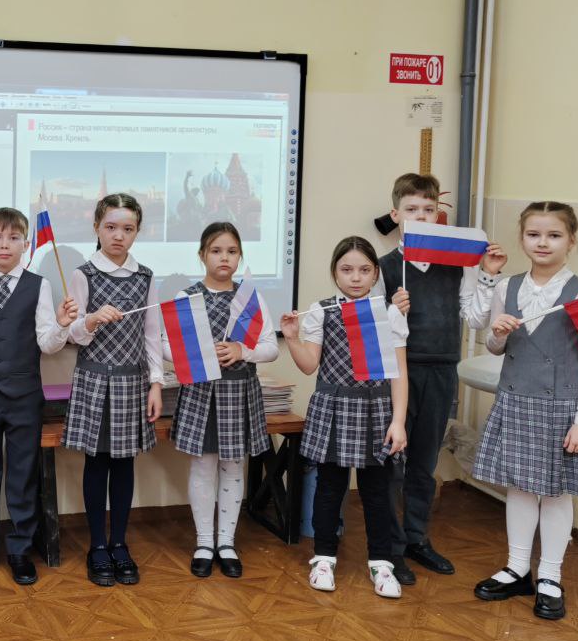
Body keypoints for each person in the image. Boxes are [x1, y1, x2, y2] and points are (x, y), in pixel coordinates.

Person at [470, 201, 578, 621]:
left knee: (556, 493)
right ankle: (517, 569)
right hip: (515, 400)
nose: (542, 242)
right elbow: (496, 347)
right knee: (519, 488)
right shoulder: (507, 287)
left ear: (571, 240)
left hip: (562, 409)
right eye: (533, 234)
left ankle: (549, 575)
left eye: (554, 235)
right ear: (522, 238)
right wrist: (496, 334)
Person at [380, 172, 506, 584]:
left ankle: (416, 538)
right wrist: (392, 311)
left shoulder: (458, 264)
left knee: (424, 461)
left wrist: (487, 275)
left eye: (428, 209)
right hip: (398, 375)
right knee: (392, 462)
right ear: (396, 214)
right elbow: (372, 332)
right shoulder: (384, 267)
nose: (420, 216)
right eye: (412, 209)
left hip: (441, 369)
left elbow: (475, 318)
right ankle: (390, 547)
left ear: (438, 214)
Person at [281, 236, 408, 598]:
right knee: (329, 488)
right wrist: (292, 339)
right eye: (347, 269)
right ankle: (323, 558)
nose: (355, 277)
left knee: (376, 492)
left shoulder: (389, 313)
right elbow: (309, 366)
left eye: (364, 270)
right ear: (335, 273)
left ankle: (381, 563)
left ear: (375, 273)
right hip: (333, 408)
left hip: (376, 410)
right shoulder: (320, 311)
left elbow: (399, 372)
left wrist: (398, 421)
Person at [0, 208, 76, 585]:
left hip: (24, 395)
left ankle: (21, 549)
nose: (4, 245)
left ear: (26, 244)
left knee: (23, 472)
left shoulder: (39, 285)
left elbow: (47, 343)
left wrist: (61, 325)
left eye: (13, 238)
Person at [61, 193, 163, 587]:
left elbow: (151, 335)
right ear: (97, 228)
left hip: (131, 382)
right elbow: (72, 334)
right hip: (93, 380)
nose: (119, 235)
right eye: (111, 227)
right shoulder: (83, 274)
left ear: (137, 232)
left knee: (123, 464)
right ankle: (97, 546)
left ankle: (120, 543)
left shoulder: (145, 277)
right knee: (97, 462)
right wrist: (90, 321)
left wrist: (156, 383)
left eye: (128, 228)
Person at [168, 222, 278, 579]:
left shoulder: (250, 298)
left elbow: (271, 347)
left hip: (239, 392)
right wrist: (198, 354)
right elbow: (168, 347)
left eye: (231, 251)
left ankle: (226, 543)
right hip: (201, 393)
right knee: (202, 467)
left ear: (240, 256)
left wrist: (242, 350)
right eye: (216, 251)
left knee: (233, 466)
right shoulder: (187, 297)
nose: (224, 258)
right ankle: (204, 542)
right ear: (202, 255)